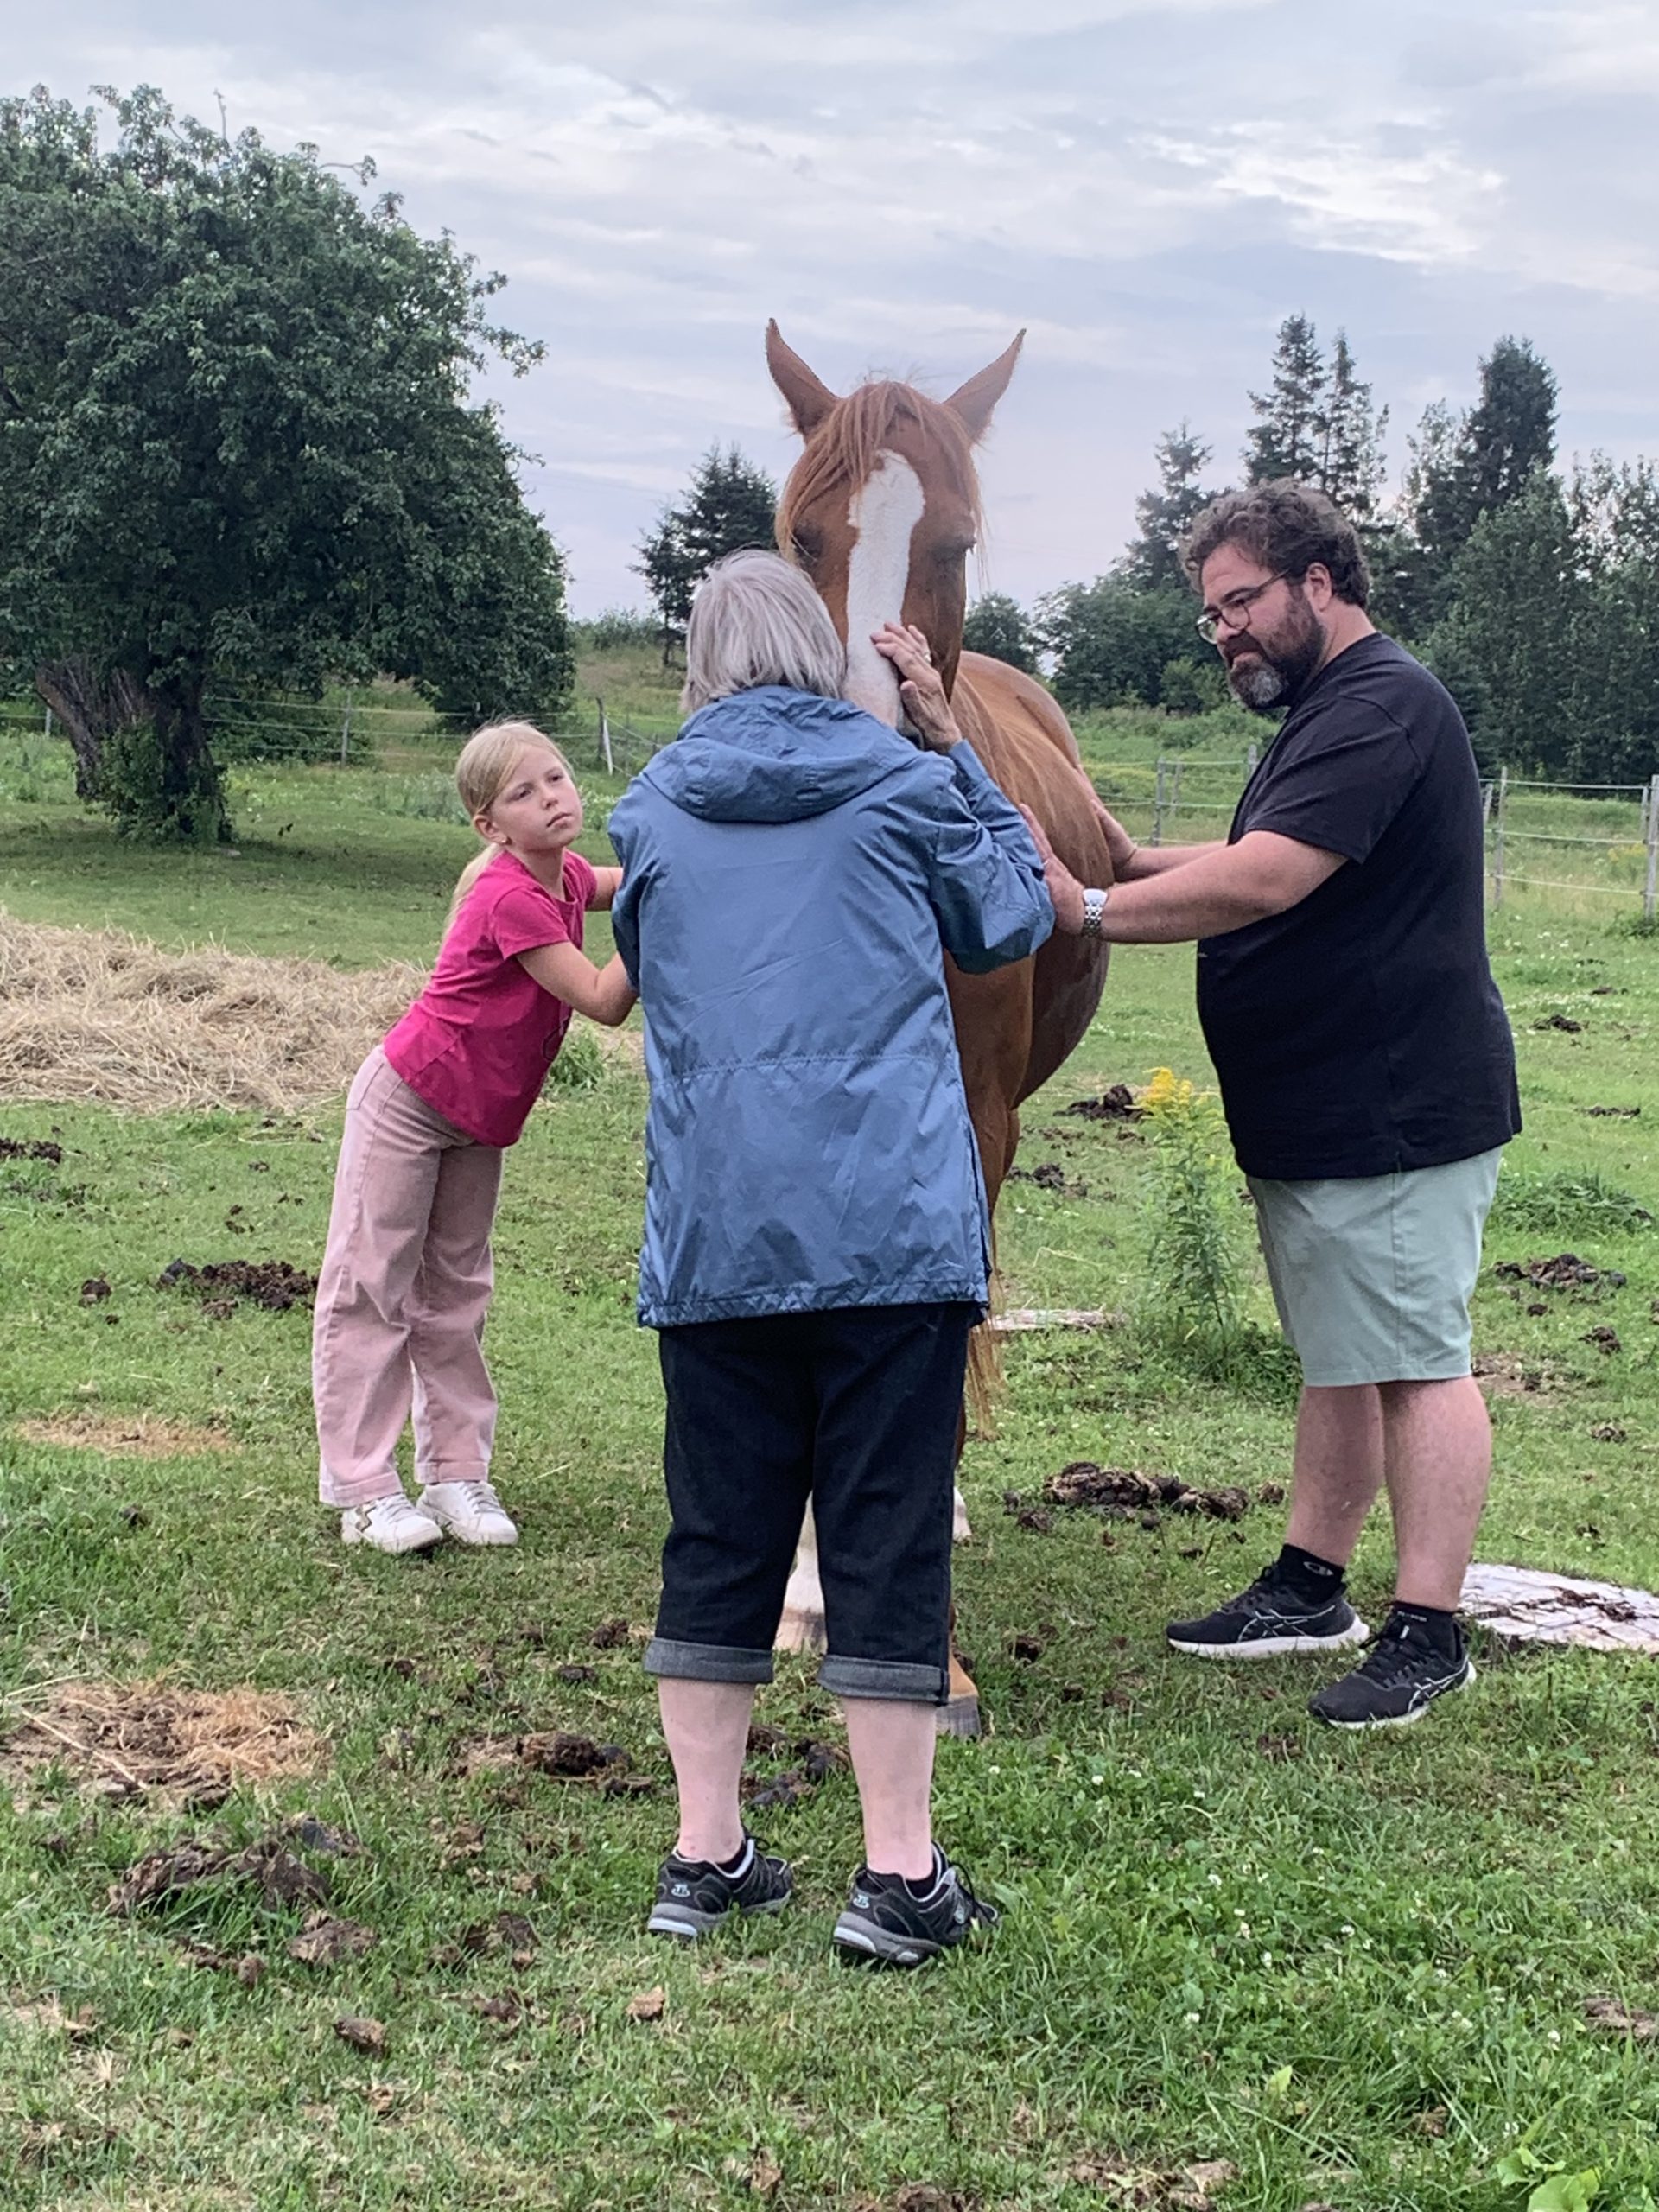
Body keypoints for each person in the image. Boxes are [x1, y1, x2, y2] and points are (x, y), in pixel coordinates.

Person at [607, 549, 1052, 1963]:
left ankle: (704, 1855)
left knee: (718, 1536)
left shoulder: (655, 810)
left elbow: (651, 976)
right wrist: (944, 735)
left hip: (719, 1231)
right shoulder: (905, 780)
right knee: (885, 1539)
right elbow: (1014, 915)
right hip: (892, 1232)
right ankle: (899, 1879)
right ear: (824, 650)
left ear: (699, 662)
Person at [1025, 481, 1520, 1730]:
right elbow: (1252, 847)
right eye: (1211, 616)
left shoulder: (1383, 704)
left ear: (1320, 580)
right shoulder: (1324, 717)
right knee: (1345, 1355)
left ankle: (1429, 1627)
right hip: (1321, 1104)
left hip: (1395, 1101)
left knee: (1414, 1361)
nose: (1227, 632)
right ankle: (1311, 1583)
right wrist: (1129, 859)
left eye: (1242, 601)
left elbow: (1272, 876)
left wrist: (1087, 910)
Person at [312, 721, 636, 1555]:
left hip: (478, 1118)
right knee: (372, 1284)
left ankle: (456, 1474)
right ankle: (364, 1489)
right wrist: (661, 914)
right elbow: (602, 999)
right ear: (490, 827)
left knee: (455, 1294)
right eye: (523, 795)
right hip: (410, 1101)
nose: (552, 799)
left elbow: (617, 879)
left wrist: (677, 870)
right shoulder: (507, 896)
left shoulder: (560, 873)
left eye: (557, 779)